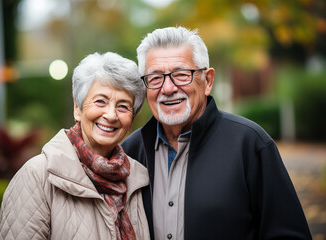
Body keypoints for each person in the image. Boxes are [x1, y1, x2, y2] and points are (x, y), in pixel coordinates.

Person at [121, 26, 312, 240]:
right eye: (155, 78)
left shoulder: (249, 144)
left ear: (208, 81)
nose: (167, 88)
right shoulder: (128, 154)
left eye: (181, 75)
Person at [0, 52, 150, 240]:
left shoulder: (139, 180)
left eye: (123, 106)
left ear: (132, 120)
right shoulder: (37, 176)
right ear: (77, 109)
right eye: (100, 101)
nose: (111, 115)